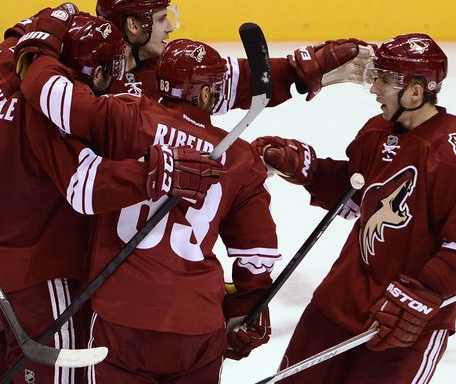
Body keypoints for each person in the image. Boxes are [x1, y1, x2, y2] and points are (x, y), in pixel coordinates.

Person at [0, 8, 224, 384]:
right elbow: (86, 187)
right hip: (37, 286)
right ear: (95, 72)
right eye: (110, 73)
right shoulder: (54, 116)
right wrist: (156, 172)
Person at [18, 31, 282, 381]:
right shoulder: (239, 157)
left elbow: (58, 106)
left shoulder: (128, 116)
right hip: (196, 325)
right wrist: (246, 309)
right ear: (203, 93)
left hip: (122, 316)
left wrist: (36, 55)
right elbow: (257, 255)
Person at [252, 33, 456, 383]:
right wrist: (307, 169)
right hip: (337, 304)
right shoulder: (377, 131)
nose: (374, 89)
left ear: (414, 91)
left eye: (384, 80)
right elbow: (356, 197)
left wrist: (423, 292)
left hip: (402, 326)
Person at [95, 0, 372, 111]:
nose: (169, 27)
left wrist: (301, 69)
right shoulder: (80, 76)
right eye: (160, 19)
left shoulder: (168, 66)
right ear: (134, 25)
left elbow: (239, 80)